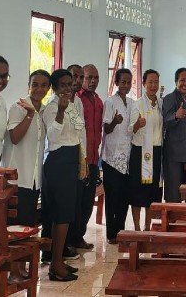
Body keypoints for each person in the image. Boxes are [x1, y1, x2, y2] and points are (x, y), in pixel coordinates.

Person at [0, 69, 50, 278]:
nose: (39, 89)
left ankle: (22, 266)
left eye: (43, 85)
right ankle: (14, 268)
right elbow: (14, 138)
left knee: (28, 223)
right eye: (35, 84)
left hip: (34, 177)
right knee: (15, 225)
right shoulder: (18, 108)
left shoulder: (44, 111)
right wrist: (29, 114)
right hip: (17, 177)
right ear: (28, 86)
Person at [42, 69, 81, 282]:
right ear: (55, 88)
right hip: (58, 161)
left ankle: (58, 260)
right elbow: (53, 137)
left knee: (65, 214)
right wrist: (60, 111)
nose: (68, 88)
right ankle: (55, 265)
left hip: (71, 159)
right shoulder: (51, 107)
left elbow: (79, 128)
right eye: (63, 85)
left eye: (70, 84)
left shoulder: (73, 105)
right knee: (60, 214)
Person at [102, 68, 136, 243]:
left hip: (127, 157)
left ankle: (121, 231)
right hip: (111, 158)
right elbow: (106, 129)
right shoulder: (110, 102)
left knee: (124, 197)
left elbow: (132, 128)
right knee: (112, 197)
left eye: (129, 82)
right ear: (116, 83)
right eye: (123, 82)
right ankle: (111, 234)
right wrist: (114, 122)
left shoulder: (132, 103)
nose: (126, 85)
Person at [128, 69, 163, 231]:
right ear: (143, 84)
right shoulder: (137, 104)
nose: (153, 85)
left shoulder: (161, 104)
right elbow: (129, 130)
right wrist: (137, 125)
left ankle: (147, 227)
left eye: (156, 82)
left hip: (156, 153)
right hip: (140, 153)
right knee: (137, 192)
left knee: (152, 193)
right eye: (150, 82)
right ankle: (136, 228)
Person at [75, 64, 103, 250]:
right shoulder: (77, 99)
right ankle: (71, 238)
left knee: (87, 203)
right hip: (79, 159)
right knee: (76, 201)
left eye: (96, 78)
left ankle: (79, 237)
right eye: (89, 77)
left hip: (93, 158)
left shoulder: (98, 100)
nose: (92, 81)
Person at [162, 67, 186, 200]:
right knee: (173, 194)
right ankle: (170, 221)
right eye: (182, 80)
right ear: (176, 81)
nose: (185, 83)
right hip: (174, 155)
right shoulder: (169, 98)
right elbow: (166, 121)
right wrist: (175, 116)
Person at [65, 64, 88, 255]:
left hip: (79, 156)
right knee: (65, 202)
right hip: (61, 159)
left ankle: (74, 238)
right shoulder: (57, 102)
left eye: (81, 77)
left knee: (77, 200)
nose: (78, 81)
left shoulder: (78, 102)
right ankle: (60, 246)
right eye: (75, 76)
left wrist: (85, 158)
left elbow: (81, 130)